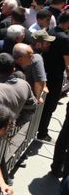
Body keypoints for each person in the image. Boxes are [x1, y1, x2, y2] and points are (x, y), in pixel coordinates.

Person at [38, 11, 69, 141]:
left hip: (43, 73)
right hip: (55, 77)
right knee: (50, 106)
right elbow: (67, 63)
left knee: (42, 104)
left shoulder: (50, 32)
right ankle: (42, 132)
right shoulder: (65, 39)